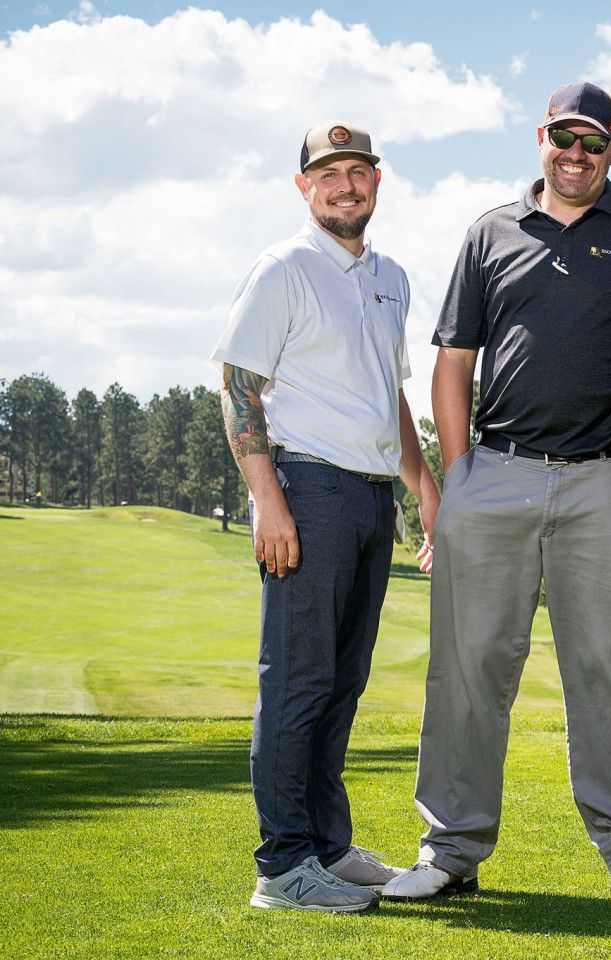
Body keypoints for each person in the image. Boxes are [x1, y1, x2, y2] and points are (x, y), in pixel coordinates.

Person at [383, 82, 611, 902]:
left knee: (609, 671)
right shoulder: (490, 232)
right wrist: (458, 476)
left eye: (593, 143)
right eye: (564, 137)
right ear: (541, 138)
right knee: (467, 670)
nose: (576, 154)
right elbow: (454, 362)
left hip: (608, 476)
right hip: (496, 473)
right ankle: (450, 850)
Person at [213, 122, 439, 911]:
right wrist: (268, 501)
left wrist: (424, 490)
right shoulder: (283, 268)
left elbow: (389, 394)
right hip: (307, 489)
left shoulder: (391, 277)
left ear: (376, 179)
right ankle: (282, 868)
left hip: (371, 497)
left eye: (357, 172)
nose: (345, 186)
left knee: (341, 683)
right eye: (328, 174)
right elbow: (237, 387)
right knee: (298, 680)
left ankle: (326, 847)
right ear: (303, 186)